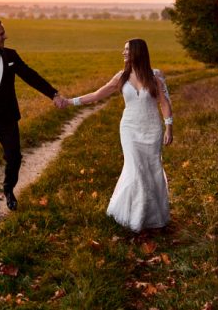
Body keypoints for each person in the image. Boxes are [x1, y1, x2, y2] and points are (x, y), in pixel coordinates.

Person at [0, 19, 68, 222]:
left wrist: (53, 94)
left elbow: (30, 76)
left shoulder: (11, 55)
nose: (5, 36)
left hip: (8, 119)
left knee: (14, 158)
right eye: (1, 33)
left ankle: (8, 188)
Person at [69, 38, 172, 232]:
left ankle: (153, 215)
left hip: (152, 129)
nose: (123, 53)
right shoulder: (122, 76)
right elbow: (96, 95)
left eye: (127, 50)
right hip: (129, 129)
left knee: (152, 169)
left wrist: (169, 127)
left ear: (137, 52)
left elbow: (164, 103)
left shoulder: (155, 76)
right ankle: (135, 216)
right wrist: (70, 102)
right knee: (136, 170)